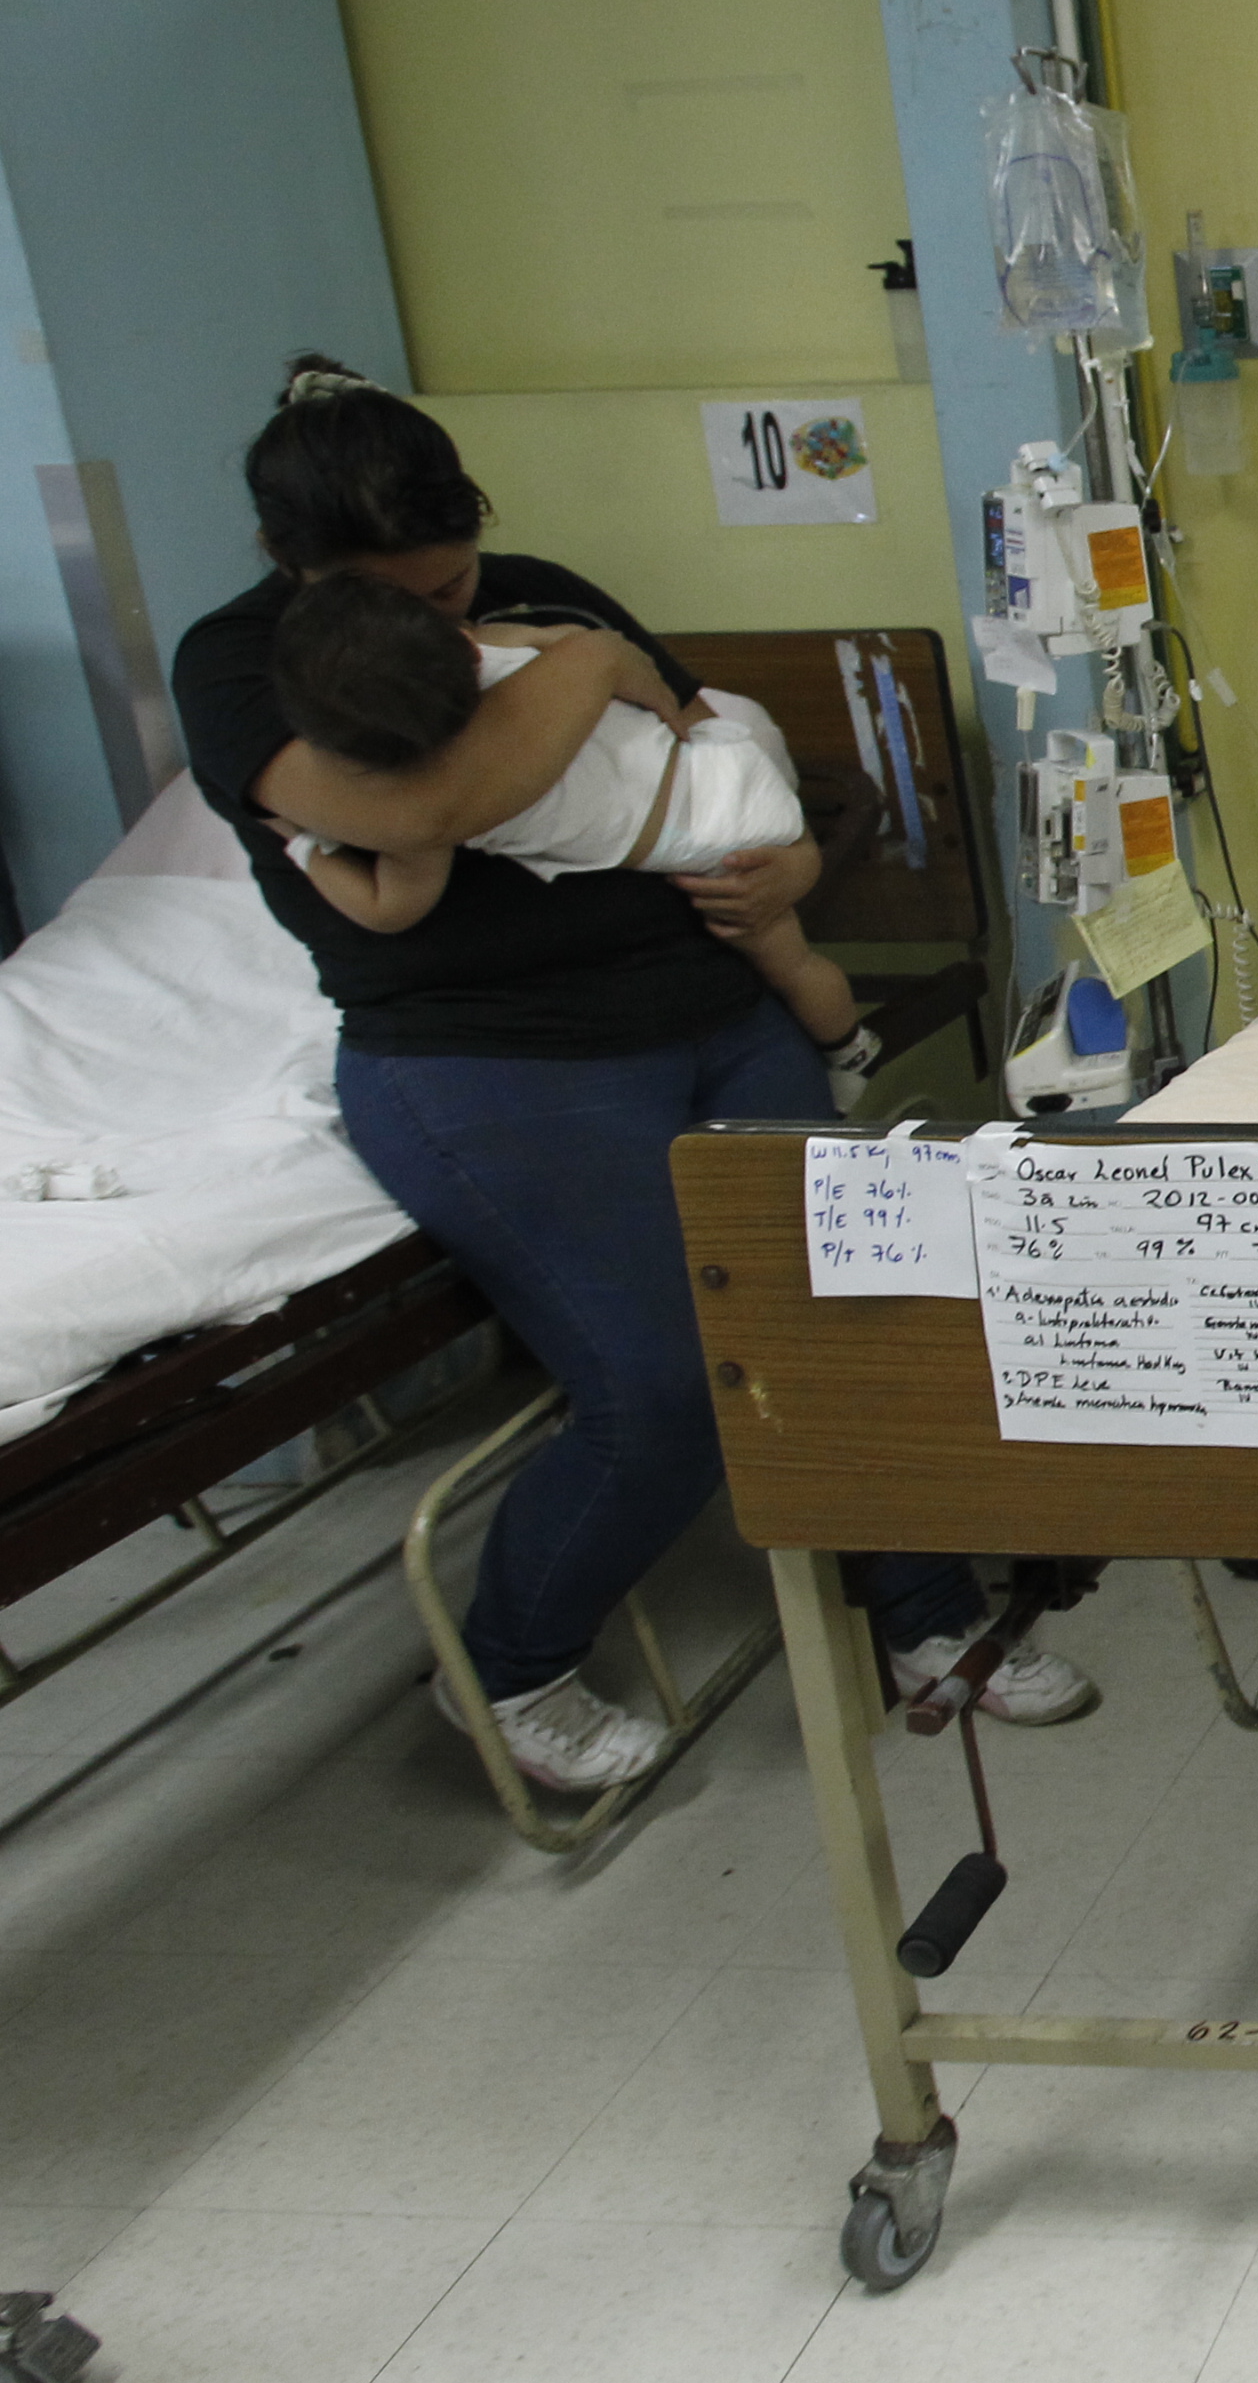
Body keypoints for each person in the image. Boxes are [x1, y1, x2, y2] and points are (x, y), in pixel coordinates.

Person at [169, 359, 1091, 1795]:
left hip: (713, 1008)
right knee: (662, 1384)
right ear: (302, 570)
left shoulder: (540, 587)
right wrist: (584, 666)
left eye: (457, 581)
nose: (450, 619)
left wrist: (791, 863)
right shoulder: (245, 667)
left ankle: (925, 1615)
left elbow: (700, 741)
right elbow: (431, 801)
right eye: (406, 604)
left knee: (855, 1314)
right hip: (486, 1061)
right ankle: (508, 1665)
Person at [265, 570, 861, 1056]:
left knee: (788, 960)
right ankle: (849, 1044)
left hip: (708, 843)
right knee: (803, 965)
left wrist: (301, 842)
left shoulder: (430, 810)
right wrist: (676, 725)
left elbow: (389, 909)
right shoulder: (506, 653)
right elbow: (615, 659)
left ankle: (845, 1059)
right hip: (725, 760)